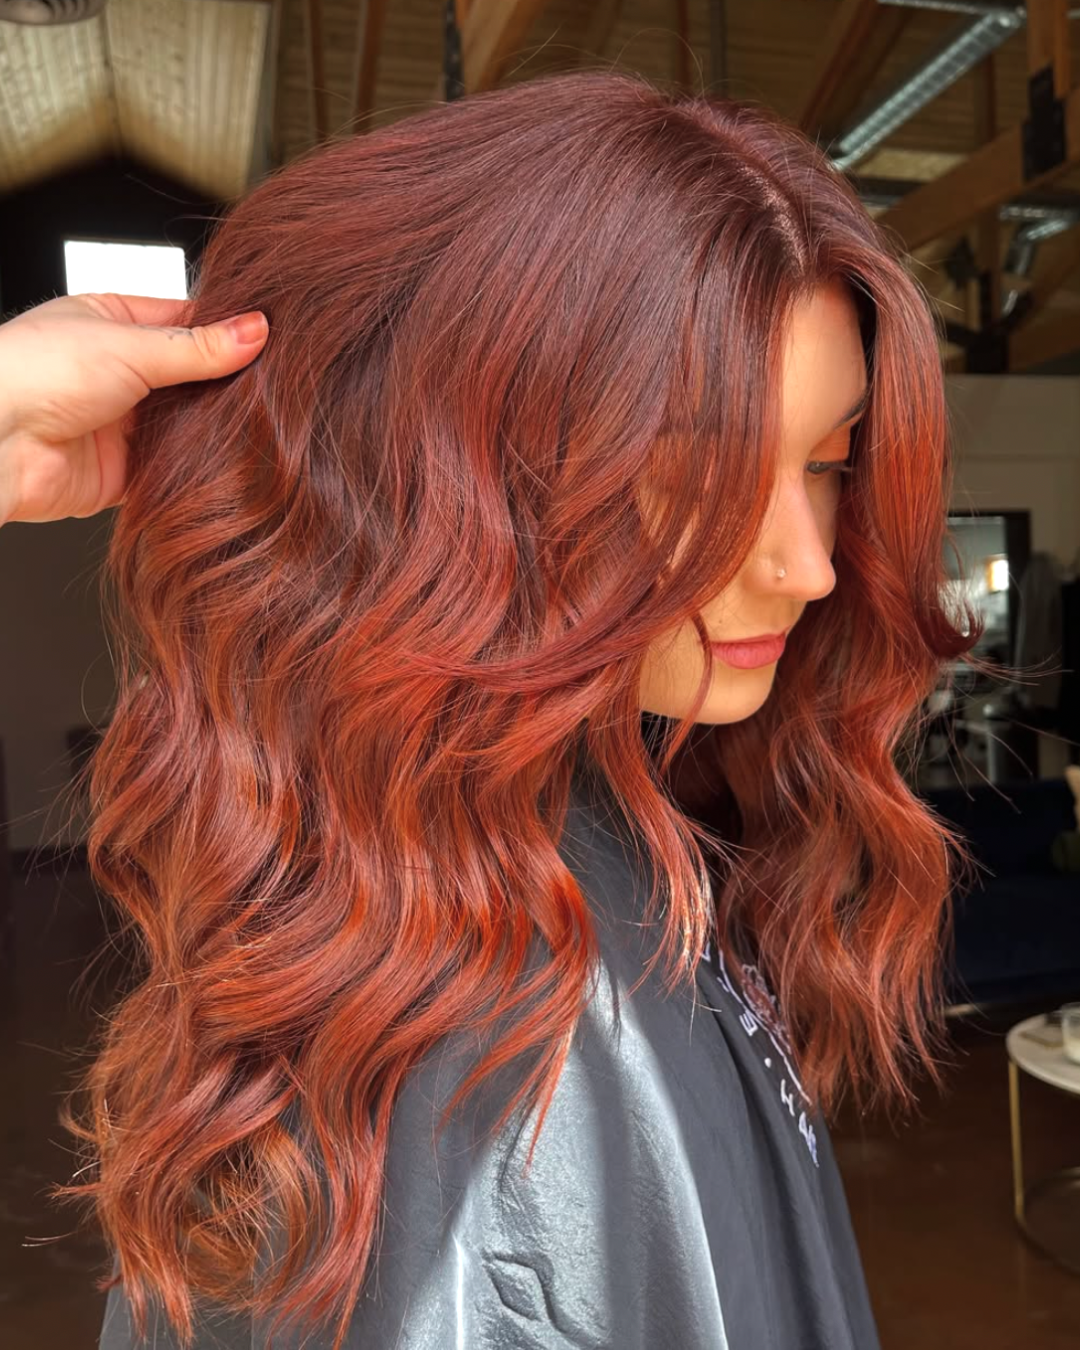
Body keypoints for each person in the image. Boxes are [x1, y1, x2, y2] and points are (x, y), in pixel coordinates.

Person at [1, 69, 986, 1350]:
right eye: (696, 476)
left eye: (826, 464)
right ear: (462, 484)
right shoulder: (517, 1045)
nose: (806, 563)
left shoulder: (594, 837)